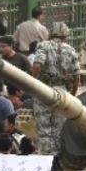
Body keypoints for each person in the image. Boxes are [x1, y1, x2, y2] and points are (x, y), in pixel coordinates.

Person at [31, 22, 79, 157]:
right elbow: (76, 76)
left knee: (44, 128)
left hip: (44, 91)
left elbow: (37, 66)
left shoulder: (43, 46)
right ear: (65, 35)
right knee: (60, 128)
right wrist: (72, 95)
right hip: (63, 92)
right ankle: (59, 158)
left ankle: (48, 159)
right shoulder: (71, 49)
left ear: (50, 33)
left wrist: (33, 82)